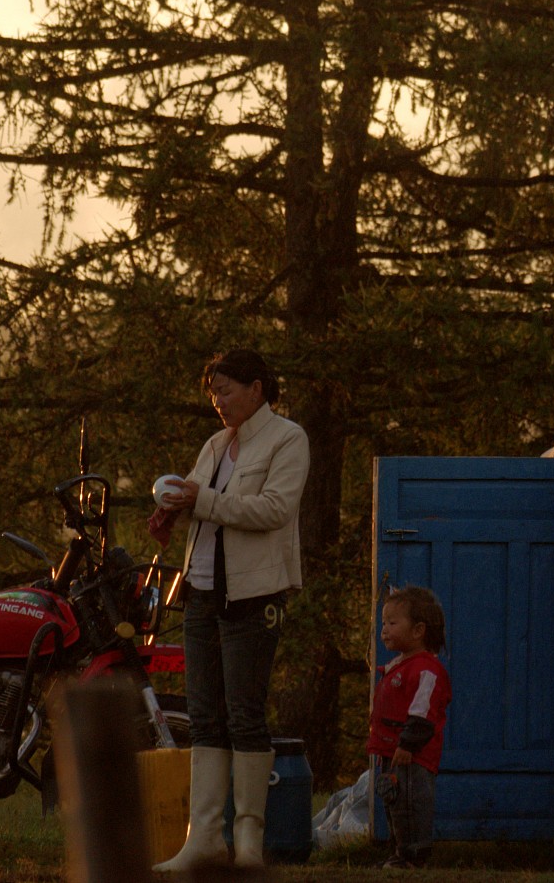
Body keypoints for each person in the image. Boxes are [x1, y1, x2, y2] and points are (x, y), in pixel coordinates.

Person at [151, 351, 309, 871]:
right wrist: (174, 509)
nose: (218, 402)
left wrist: (201, 500)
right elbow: (202, 505)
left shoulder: (288, 438)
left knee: (244, 715)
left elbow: (273, 509)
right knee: (204, 717)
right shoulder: (216, 444)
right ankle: (204, 841)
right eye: (213, 393)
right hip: (201, 591)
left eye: (226, 390)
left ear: (257, 389)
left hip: (254, 594)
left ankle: (248, 844)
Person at [367, 586, 451, 869]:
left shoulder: (426, 670)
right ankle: (399, 851)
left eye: (392, 623)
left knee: (411, 803)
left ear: (418, 631)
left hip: (412, 755)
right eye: (383, 623)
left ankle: (413, 855)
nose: (384, 630)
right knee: (394, 802)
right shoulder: (397, 666)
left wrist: (407, 745)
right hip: (392, 752)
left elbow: (422, 712)